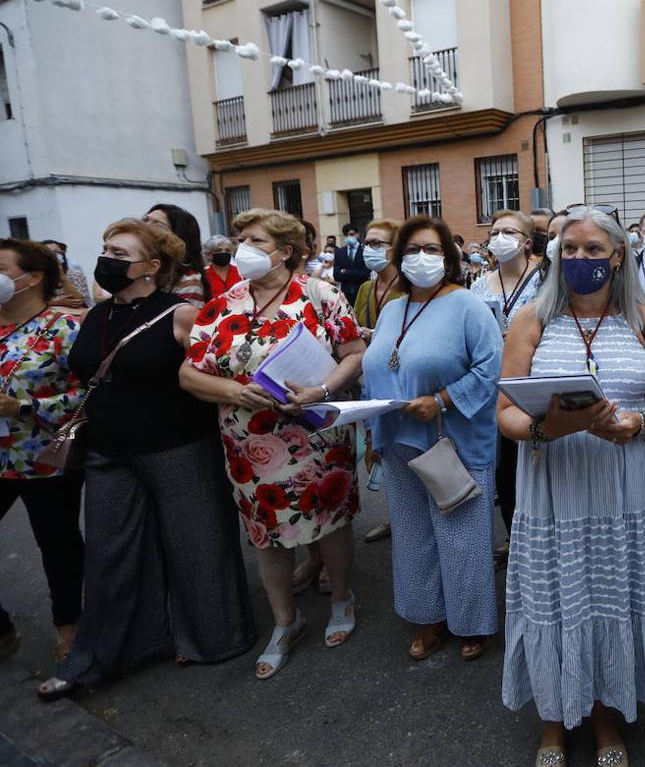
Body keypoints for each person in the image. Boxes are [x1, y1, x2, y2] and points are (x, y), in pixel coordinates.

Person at [37, 221, 255, 700]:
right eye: (105, 249)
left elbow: (219, 370)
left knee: (198, 545)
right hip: (107, 451)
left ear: (152, 266)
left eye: (119, 251)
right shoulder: (95, 315)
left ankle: (215, 639)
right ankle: (97, 657)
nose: (107, 258)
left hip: (179, 447)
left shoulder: (181, 314)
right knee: (109, 554)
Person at [498, 206, 645, 766]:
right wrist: (543, 427)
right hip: (553, 483)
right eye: (569, 248)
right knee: (555, 598)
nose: (579, 258)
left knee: (612, 596)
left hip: (625, 484)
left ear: (618, 255)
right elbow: (504, 412)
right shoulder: (531, 318)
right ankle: (554, 721)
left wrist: (641, 423)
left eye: (592, 249)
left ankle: (607, 719)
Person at [179, 208, 366, 679]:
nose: (242, 247)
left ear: (286, 252)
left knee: (331, 520)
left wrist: (322, 390)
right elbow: (189, 373)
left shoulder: (321, 294)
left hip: (316, 436)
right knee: (266, 532)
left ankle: (342, 597)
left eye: (256, 240)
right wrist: (234, 391)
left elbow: (353, 354)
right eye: (241, 238)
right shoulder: (222, 304)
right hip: (249, 446)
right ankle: (286, 621)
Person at [362, 216, 502, 662]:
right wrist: (370, 432)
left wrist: (441, 400)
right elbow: (374, 370)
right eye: (412, 249)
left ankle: (470, 621)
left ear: (449, 257)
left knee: (461, 536)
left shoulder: (469, 306)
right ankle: (429, 617)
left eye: (432, 249)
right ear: (399, 258)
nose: (421, 258)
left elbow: (490, 370)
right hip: (397, 438)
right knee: (412, 535)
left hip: (452, 440)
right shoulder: (391, 308)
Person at [0, 240, 83, 666]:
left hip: (44, 456)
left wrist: (25, 407)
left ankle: (70, 628)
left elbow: (89, 395)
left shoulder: (64, 329)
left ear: (31, 278)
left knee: (58, 545)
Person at [471, 211, 542, 567]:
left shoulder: (544, 280)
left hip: (531, 380)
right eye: (495, 231)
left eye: (509, 232)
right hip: (490, 384)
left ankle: (539, 534)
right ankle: (514, 536)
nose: (499, 237)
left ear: (527, 242)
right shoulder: (480, 284)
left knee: (531, 460)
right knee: (502, 467)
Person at [350, 219, 403, 544]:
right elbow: (354, 329)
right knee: (377, 447)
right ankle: (393, 515)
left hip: (400, 378)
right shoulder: (368, 288)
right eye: (367, 243)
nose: (370, 249)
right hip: (370, 379)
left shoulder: (407, 286)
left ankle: (407, 514)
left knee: (404, 447)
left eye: (377, 243)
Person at [144, 203, 207, 305]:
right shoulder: (138, 267)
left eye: (156, 223)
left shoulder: (188, 281)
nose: (145, 226)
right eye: (145, 220)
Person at [42, 240, 93, 308]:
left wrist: (62, 277)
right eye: (50, 252)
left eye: (57, 252)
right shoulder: (35, 279)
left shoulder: (75, 275)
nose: (55, 255)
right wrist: (55, 302)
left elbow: (77, 301)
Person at [333, 223, 367, 303]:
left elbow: (365, 273)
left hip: (362, 291)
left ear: (357, 234)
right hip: (346, 294)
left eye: (352, 234)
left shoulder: (364, 250)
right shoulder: (340, 252)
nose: (349, 237)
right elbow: (336, 275)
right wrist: (354, 273)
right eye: (346, 235)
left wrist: (345, 272)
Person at [203, 234, 241, 299]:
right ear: (209, 254)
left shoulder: (241, 273)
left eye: (227, 250)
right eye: (218, 250)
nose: (223, 252)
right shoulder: (204, 275)